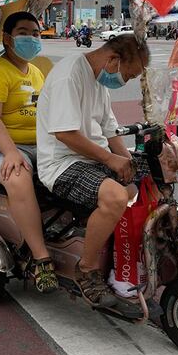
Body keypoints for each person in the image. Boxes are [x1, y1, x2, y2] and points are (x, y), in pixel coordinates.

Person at [37, 35, 149, 315]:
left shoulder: (100, 80)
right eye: (129, 74)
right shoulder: (69, 76)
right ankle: (86, 270)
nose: (128, 81)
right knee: (115, 197)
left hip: (92, 157)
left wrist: (127, 162)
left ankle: (125, 253)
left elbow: (109, 130)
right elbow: (65, 134)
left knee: (151, 176)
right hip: (62, 163)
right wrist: (112, 160)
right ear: (113, 60)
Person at [0, 11, 56, 293]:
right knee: (17, 176)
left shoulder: (36, 72)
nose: (32, 39)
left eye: (36, 34)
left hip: (43, 145)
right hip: (10, 147)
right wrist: (10, 152)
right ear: (8, 38)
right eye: (25, 33)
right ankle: (41, 257)